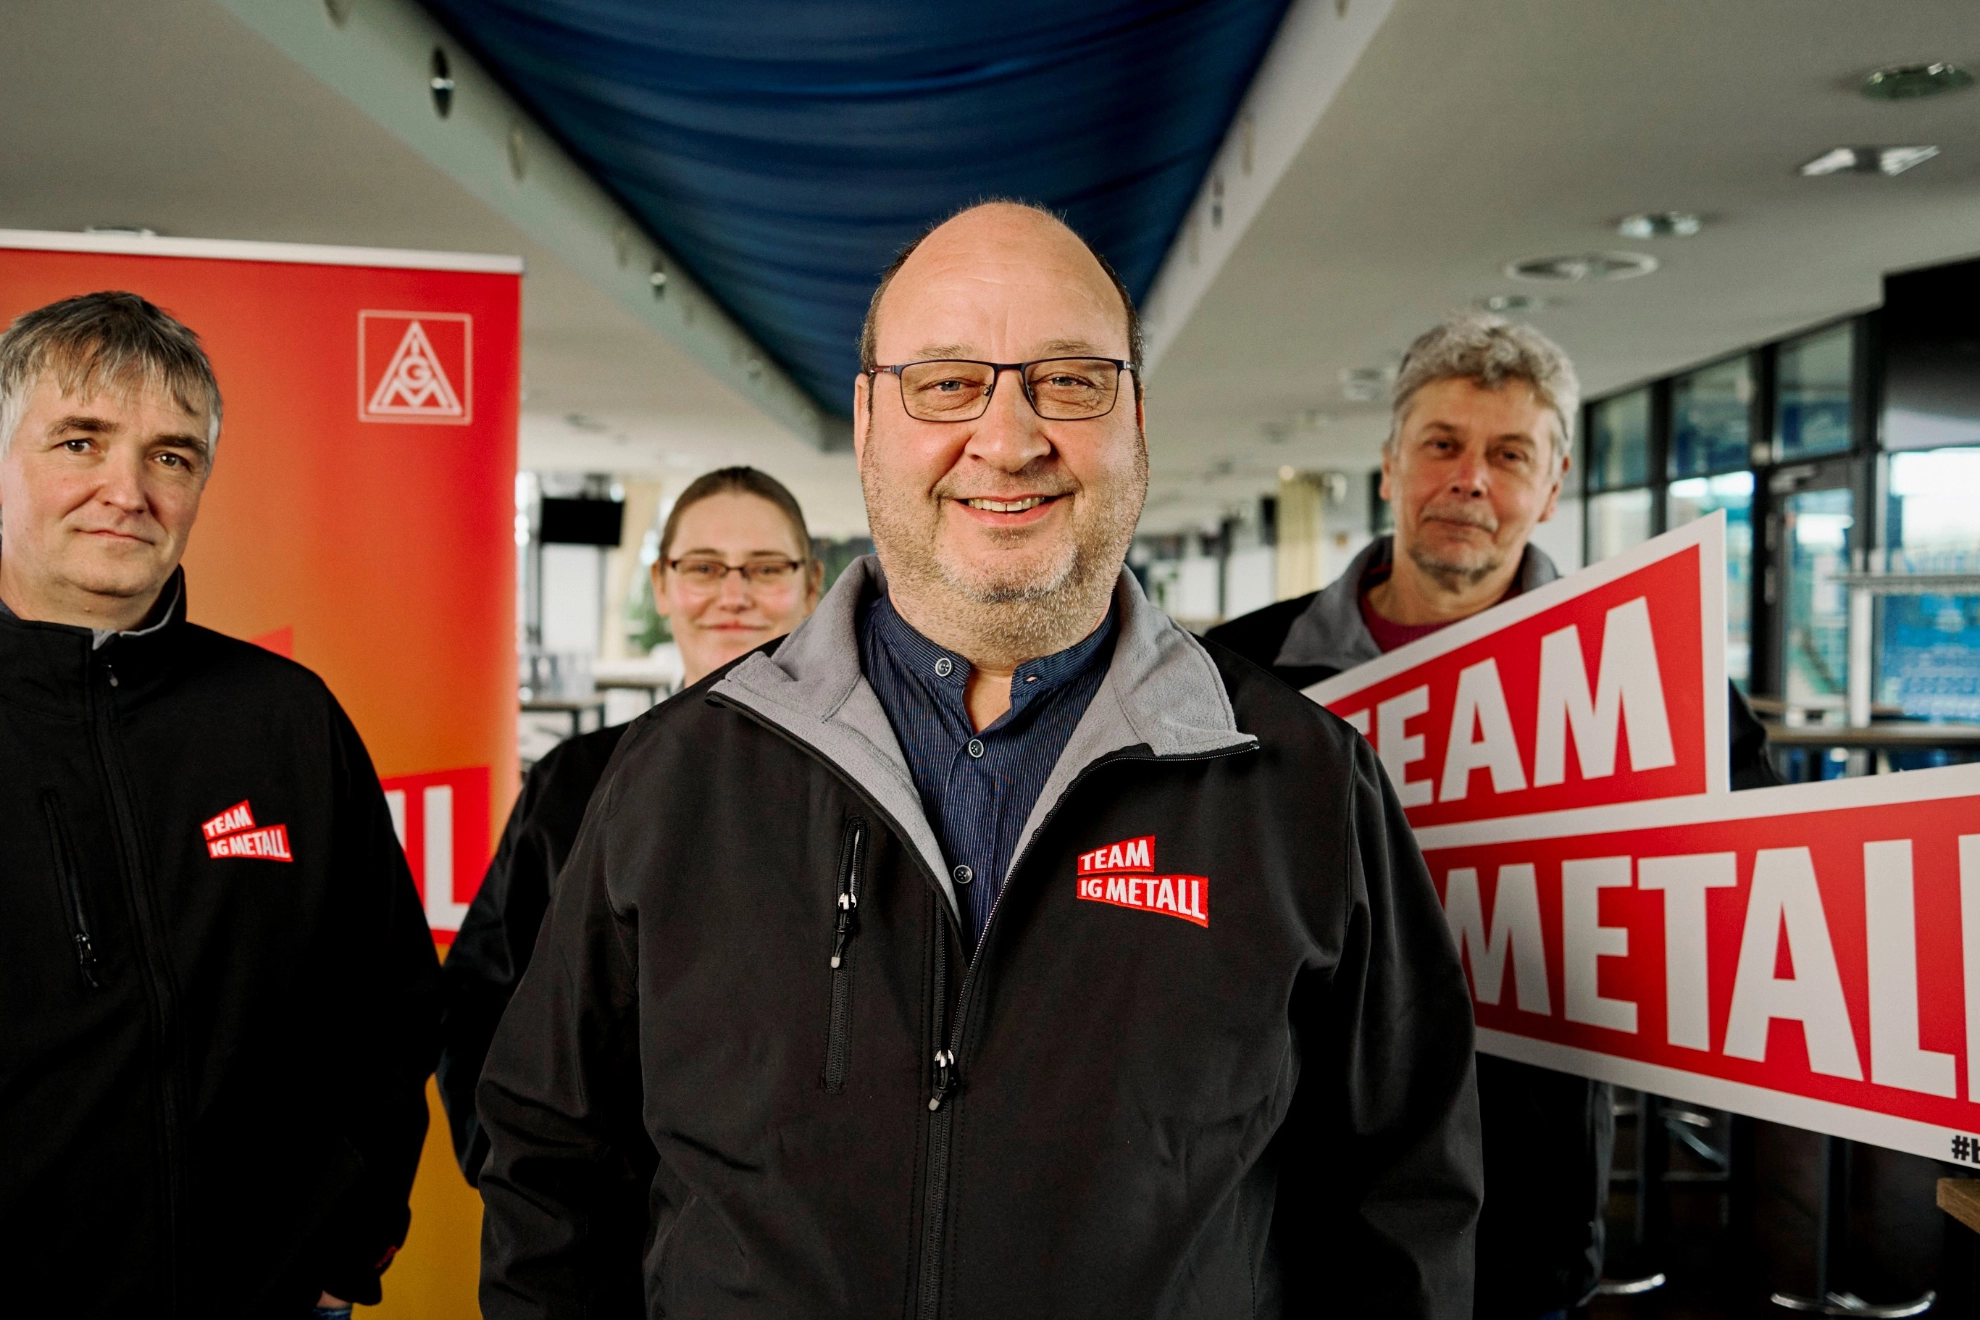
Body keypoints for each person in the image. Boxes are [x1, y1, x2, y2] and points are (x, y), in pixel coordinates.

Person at [475, 201, 1483, 1318]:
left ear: (1137, 417)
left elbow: (1402, 1213)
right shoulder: (679, 776)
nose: (1008, 440)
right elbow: (552, 1174)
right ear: (866, 423)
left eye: (1070, 380)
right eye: (947, 383)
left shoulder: (1302, 787)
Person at [1208, 314, 1778, 1320]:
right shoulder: (1242, 672)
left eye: (1509, 454)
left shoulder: (1656, 684)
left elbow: (1758, 900)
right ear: (1389, 467)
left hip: (1529, 1193)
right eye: (1442, 445)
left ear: (1551, 487)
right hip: (1283, 1185)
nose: (1469, 479)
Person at [0, 291, 439, 1317]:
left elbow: (390, 1002)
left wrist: (350, 1236)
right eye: (80, 441)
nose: (128, 490)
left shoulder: (284, 717)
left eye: (171, 456)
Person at [438, 465, 823, 1183]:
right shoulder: (573, 783)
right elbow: (483, 997)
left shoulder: (866, 791)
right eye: (704, 567)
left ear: (811, 586)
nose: (733, 594)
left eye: (766, 568)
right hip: (602, 1240)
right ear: (661, 586)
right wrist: (515, 1178)